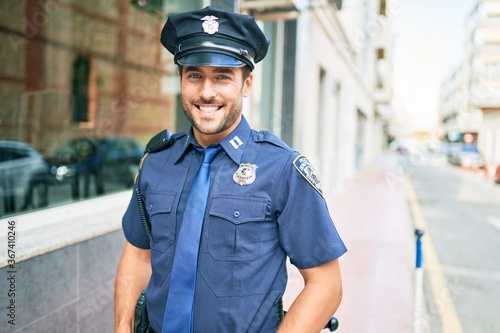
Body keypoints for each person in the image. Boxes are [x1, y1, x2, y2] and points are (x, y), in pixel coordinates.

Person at [114, 6, 347, 333]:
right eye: (195, 75)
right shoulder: (157, 162)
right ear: (180, 79)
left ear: (247, 83)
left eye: (222, 76)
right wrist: (122, 327)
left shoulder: (282, 169)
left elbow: (325, 284)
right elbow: (138, 255)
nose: (206, 92)